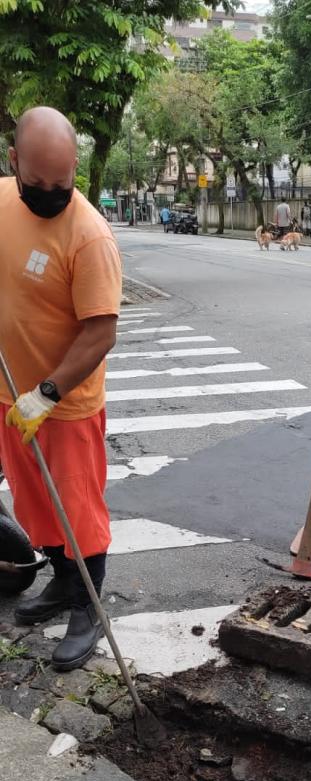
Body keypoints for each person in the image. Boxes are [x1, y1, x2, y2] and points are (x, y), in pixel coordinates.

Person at [0, 106, 122, 668]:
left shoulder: (89, 235)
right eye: (37, 183)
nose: (50, 194)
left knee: (76, 508)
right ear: (14, 162)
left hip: (63, 403)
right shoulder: (3, 200)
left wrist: (45, 395)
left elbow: (100, 333)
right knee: (37, 504)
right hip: (8, 394)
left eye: (63, 183)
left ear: (76, 168)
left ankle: (88, 606)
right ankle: (61, 583)